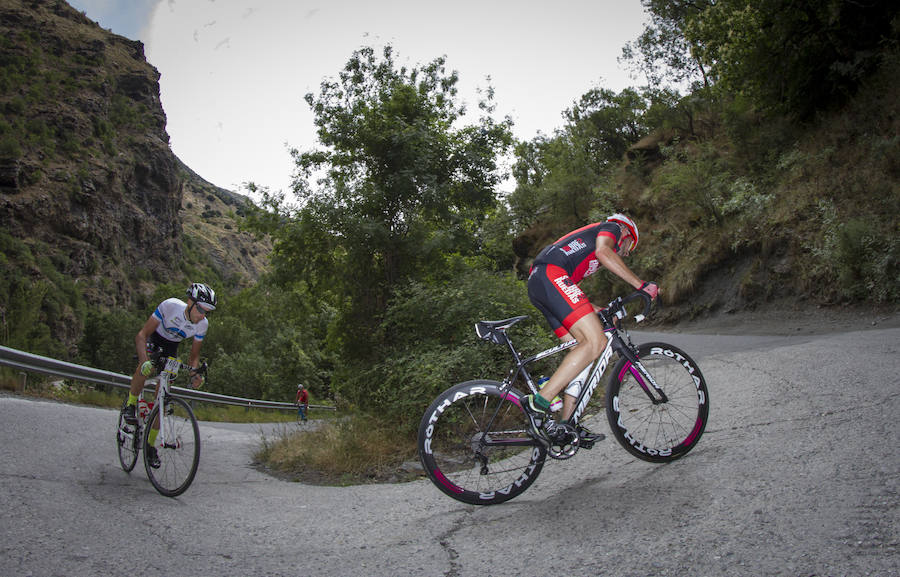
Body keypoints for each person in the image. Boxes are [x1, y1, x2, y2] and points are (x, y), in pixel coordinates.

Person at [522, 213, 659, 447]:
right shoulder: (613, 228)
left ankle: (566, 424)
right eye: (630, 246)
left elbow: (572, 296)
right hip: (551, 275)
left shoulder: (583, 261)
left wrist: (601, 310)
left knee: (581, 350)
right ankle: (539, 402)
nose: (626, 252)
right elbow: (604, 253)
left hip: (543, 281)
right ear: (627, 233)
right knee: (596, 342)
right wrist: (642, 285)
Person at [121, 283, 217, 467]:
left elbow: (193, 357)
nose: (202, 315)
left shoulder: (202, 324)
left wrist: (194, 374)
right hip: (153, 340)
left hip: (171, 349)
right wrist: (144, 360)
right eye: (200, 309)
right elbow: (141, 335)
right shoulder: (170, 306)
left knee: (162, 400)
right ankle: (131, 404)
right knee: (145, 367)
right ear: (190, 302)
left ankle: (150, 446)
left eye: (207, 311)